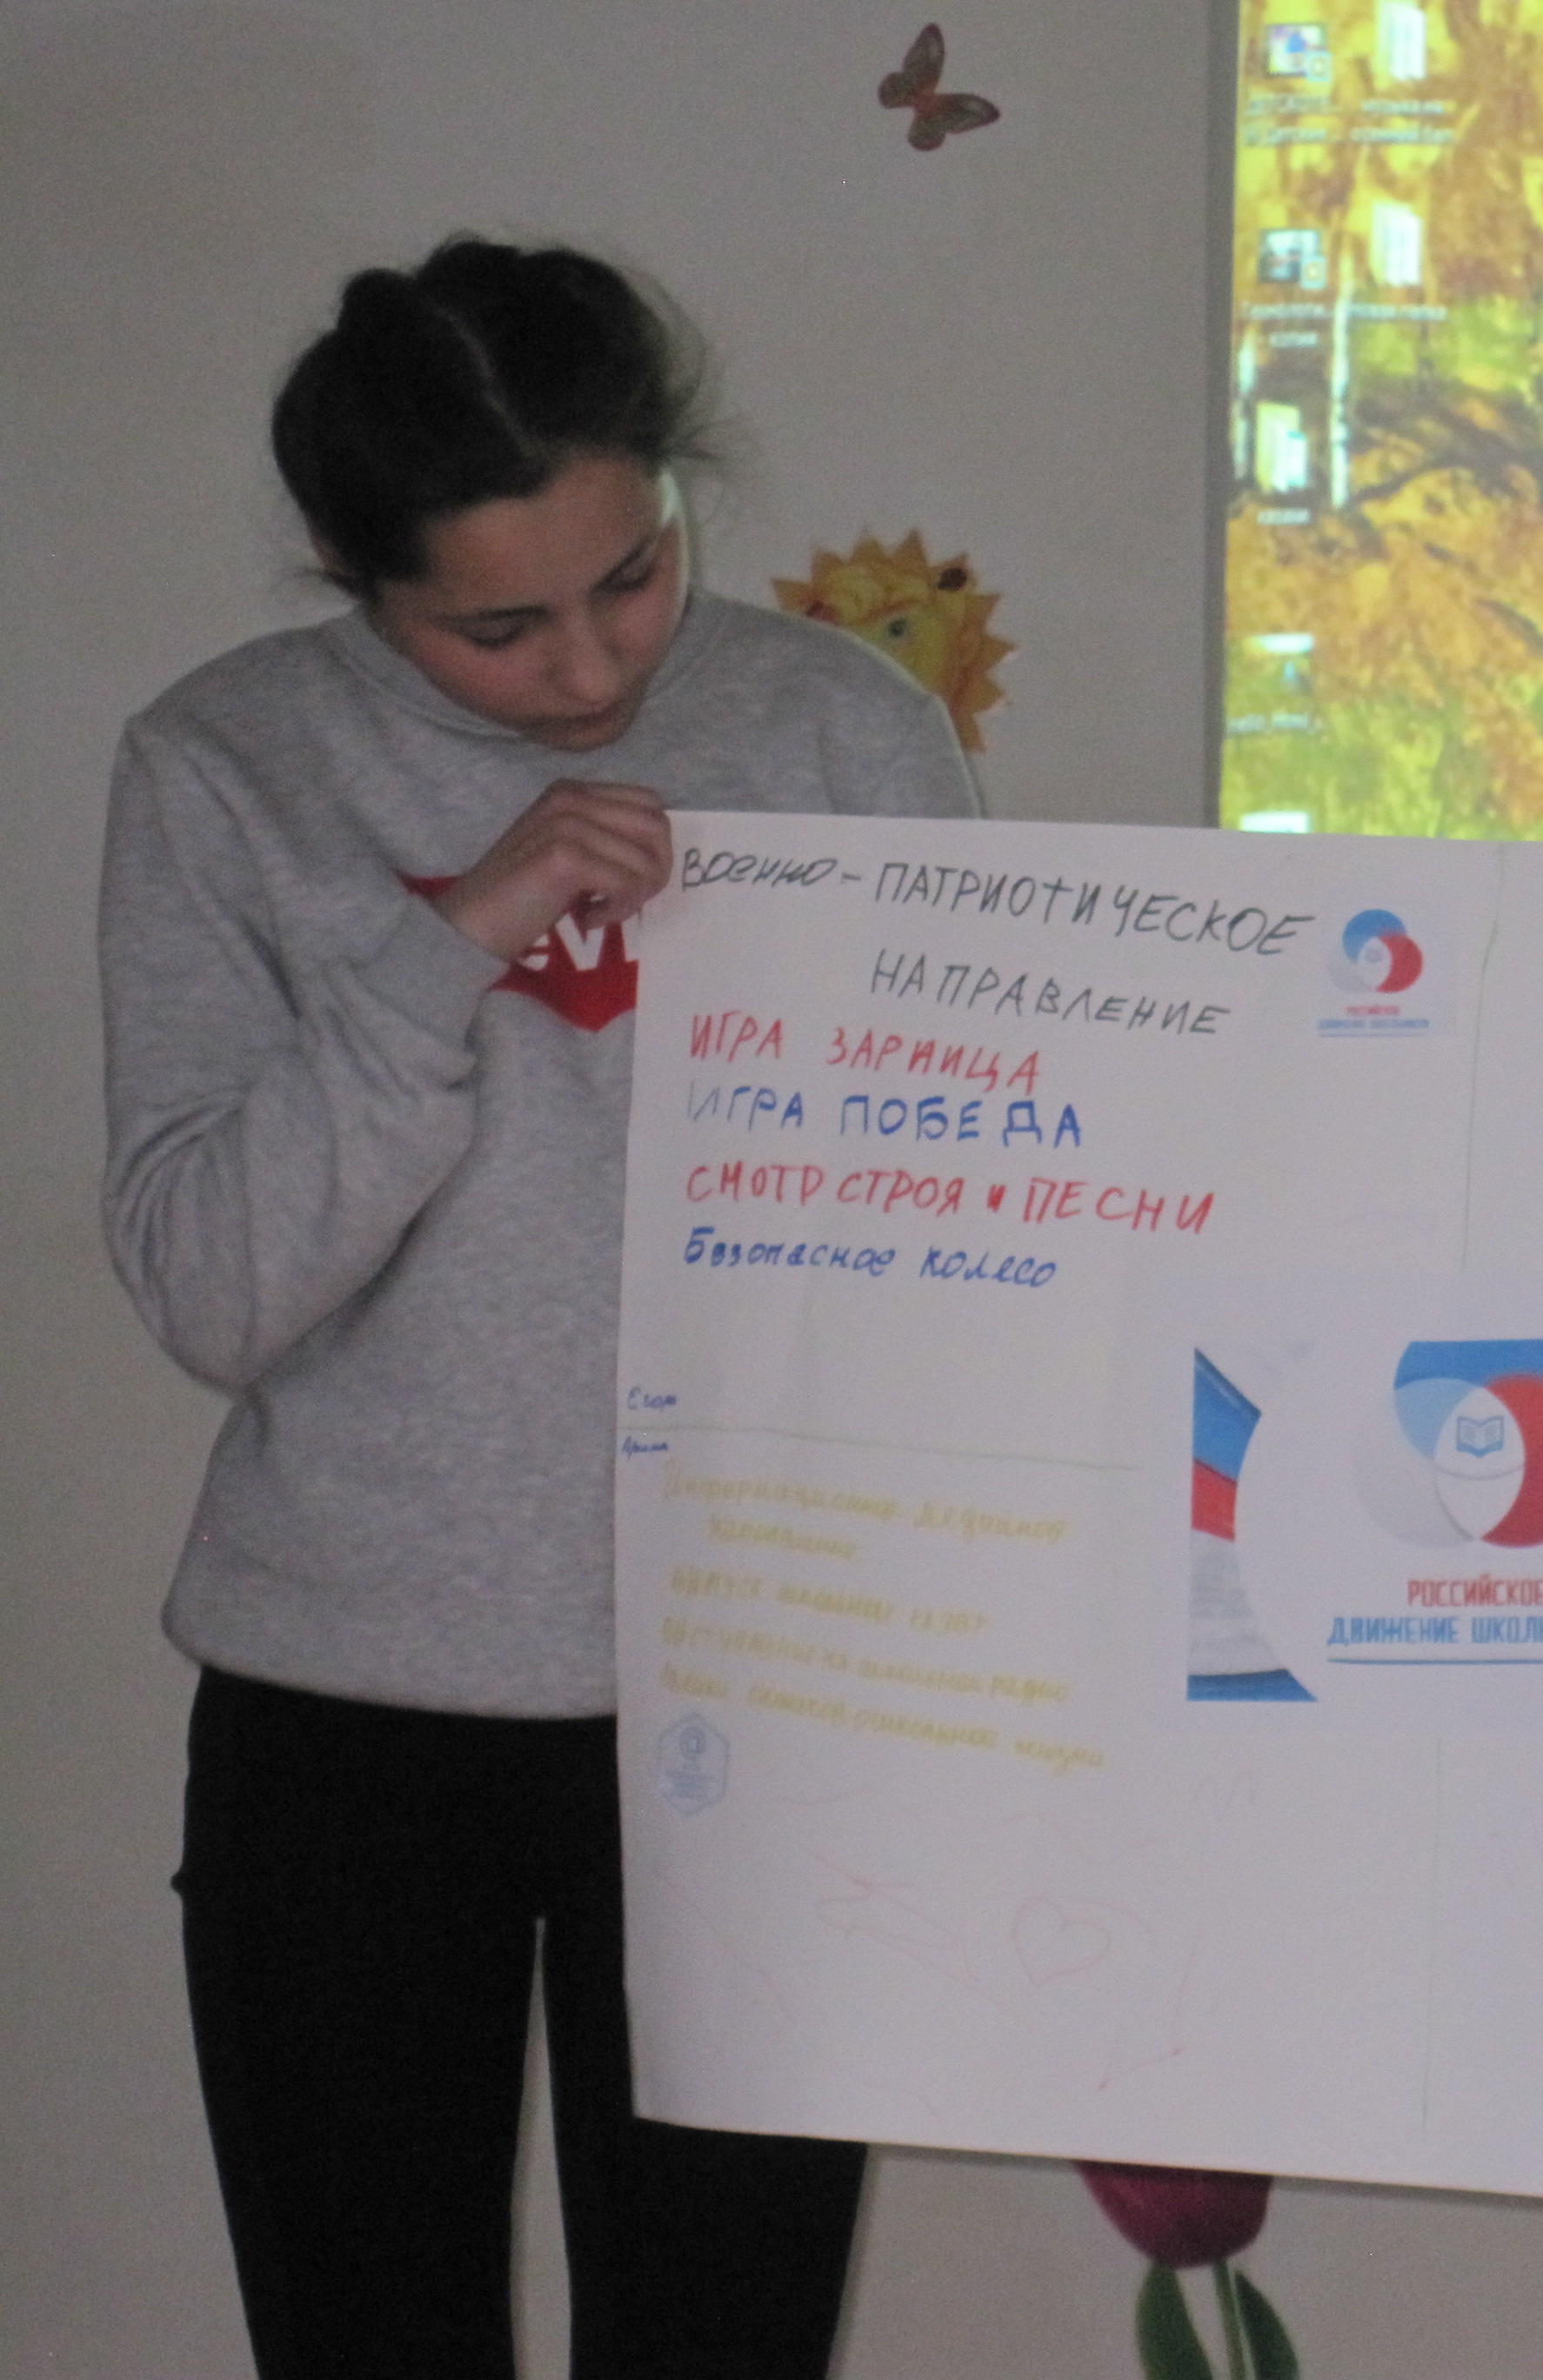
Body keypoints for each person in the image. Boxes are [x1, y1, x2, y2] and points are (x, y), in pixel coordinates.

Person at [100, 238, 981, 2378]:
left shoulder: (842, 730)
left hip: (758, 1701)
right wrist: (450, 949)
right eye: (497, 629)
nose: (589, 668)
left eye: (636, 576)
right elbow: (211, 1285)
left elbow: (976, 1226)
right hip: (346, 1724)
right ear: (354, 573)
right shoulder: (226, 767)